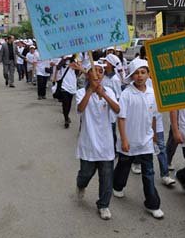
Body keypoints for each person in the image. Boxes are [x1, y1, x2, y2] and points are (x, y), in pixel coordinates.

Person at [112, 58, 164, 219]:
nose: (140, 76)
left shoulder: (152, 94)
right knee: (124, 166)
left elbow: (154, 117)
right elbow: (121, 118)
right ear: (132, 76)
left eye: (143, 72)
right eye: (136, 73)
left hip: (146, 141)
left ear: (148, 74)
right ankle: (117, 185)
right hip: (130, 140)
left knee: (148, 172)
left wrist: (154, 136)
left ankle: (152, 203)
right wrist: (124, 140)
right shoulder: (127, 94)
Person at [75, 61, 120, 220]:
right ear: (88, 74)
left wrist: (104, 94)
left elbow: (117, 110)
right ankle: (81, 185)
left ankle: (103, 205)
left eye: (101, 71)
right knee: (86, 173)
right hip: (88, 142)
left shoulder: (109, 91)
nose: (98, 74)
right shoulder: (81, 92)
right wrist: (90, 91)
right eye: (94, 71)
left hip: (106, 143)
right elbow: (80, 109)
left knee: (107, 176)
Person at [57, 55, 82, 128]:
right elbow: (58, 68)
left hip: (72, 85)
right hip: (64, 85)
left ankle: (67, 116)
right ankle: (66, 119)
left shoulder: (75, 62)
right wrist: (63, 61)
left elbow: (79, 73)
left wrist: (76, 66)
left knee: (69, 103)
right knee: (65, 102)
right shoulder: (62, 62)